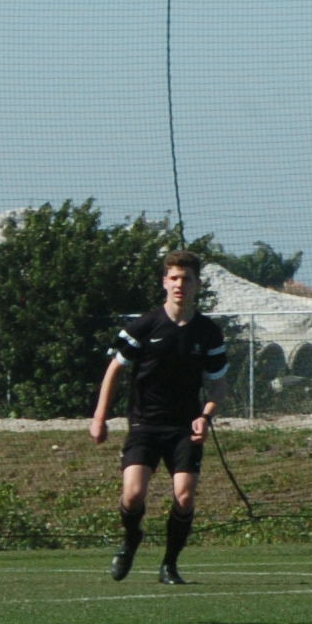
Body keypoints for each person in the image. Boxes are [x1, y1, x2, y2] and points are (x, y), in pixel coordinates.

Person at [90, 249, 228, 584]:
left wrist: (205, 416)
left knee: (184, 496)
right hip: (145, 425)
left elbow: (219, 386)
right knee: (133, 494)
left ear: (197, 284)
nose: (180, 284)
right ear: (165, 282)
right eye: (174, 278)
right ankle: (131, 537)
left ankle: (169, 564)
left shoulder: (208, 331)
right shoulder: (144, 325)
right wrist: (99, 418)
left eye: (187, 279)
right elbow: (114, 371)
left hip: (184, 428)